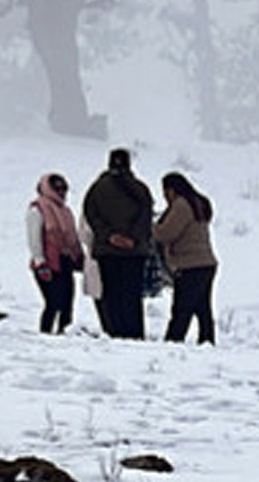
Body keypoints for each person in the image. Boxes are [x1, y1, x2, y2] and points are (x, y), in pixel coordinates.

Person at [82, 148, 156, 339]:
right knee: (132, 296)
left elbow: (91, 215)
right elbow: (146, 217)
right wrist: (133, 238)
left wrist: (109, 236)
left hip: (108, 251)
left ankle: (116, 332)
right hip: (135, 252)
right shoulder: (140, 188)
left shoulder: (97, 189)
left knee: (112, 294)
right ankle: (135, 333)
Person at [155, 172, 218, 345]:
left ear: (172, 190)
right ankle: (207, 342)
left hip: (189, 264)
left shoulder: (181, 206)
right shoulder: (198, 203)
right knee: (203, 309)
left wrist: (149, 227)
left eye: (165, 193)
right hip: (207, 263)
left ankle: (173, 342)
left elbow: (166, 233)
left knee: (181, 310)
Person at [25, 173, 87, 334]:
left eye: (63, 189)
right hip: (48, 263)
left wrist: (79, 257)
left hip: (65, 261)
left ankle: (64, 332)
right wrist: (40, 262)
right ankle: (46, 333)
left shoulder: (65, 211)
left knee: (68, 301)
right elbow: (34, 237)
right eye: (57, 188)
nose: (61, 192)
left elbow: (72, 237)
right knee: (53, 302)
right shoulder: (37, 209)